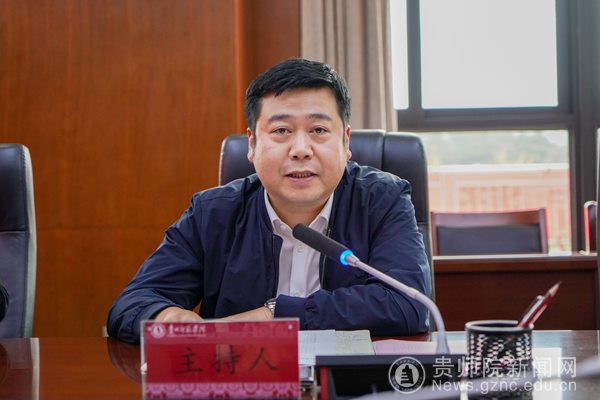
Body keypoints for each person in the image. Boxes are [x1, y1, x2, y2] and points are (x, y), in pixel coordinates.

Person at [107, 58, 431, 344]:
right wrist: (167, 317)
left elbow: (410, 305)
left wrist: (275, 315)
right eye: (281, 131)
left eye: (319, 129)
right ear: (252, 144)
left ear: (346, 142)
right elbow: (131, 304)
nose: (300, 149)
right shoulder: (213, 214)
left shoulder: (382, 201)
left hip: (352, 385)